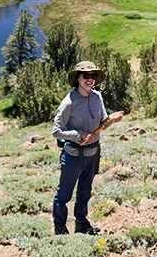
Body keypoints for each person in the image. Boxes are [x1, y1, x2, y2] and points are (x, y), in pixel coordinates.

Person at [51, 60, 124, 235]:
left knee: (85, 191)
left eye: (93, 76)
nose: (90, 79)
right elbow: (56, 131)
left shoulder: (97, 97)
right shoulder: (69, 102)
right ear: (78, 78)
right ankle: (60, 228)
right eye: (86, 76)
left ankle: (81, 223)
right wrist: (79, 134)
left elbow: (102, 123)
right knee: (64, 194)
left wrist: (111, 120)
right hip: (73, 155)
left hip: (93, 152)